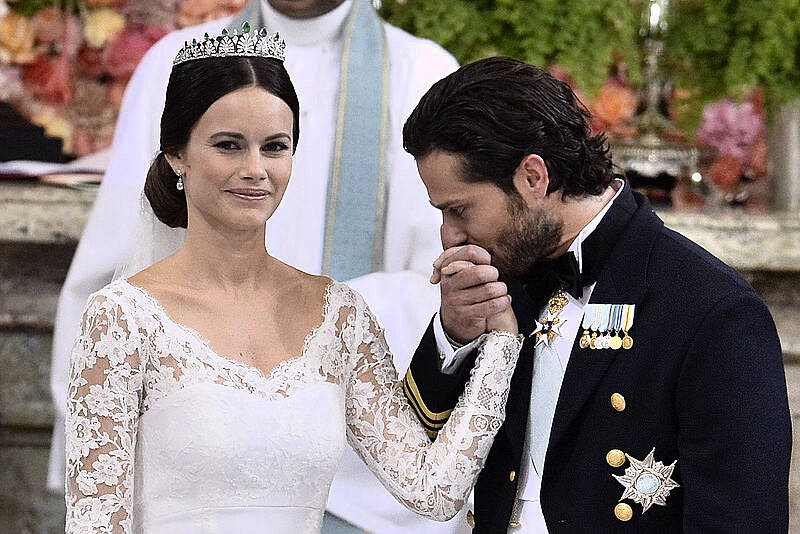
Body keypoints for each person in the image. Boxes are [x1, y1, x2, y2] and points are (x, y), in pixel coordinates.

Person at [64, 29, 522, 533]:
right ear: (177, 155)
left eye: (275, 147)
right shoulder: (122, 319)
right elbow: (96, 524)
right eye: (229, 146)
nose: (256, 170)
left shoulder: (339, 316)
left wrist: (500, 341)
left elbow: (432, 490)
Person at [400, 57, 792, 533]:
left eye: (459, 209)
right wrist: (453, 335)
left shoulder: (714, 313)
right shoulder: (503, 282)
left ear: (533, 178)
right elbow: (413, 455)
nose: (449, 236)